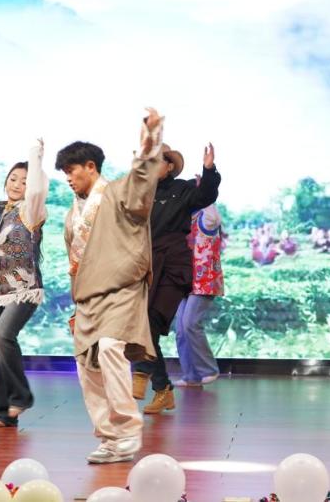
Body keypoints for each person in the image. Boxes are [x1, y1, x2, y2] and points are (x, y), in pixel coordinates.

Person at [55, 108, 164, 464]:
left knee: (110, 349)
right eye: (64, 173)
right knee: (87, 369)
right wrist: (75, 305)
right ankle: (108, 437)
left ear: (90, 166)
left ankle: (128, 430)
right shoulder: (72, 214)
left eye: (71, 170)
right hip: (86, 298)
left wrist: (151, 139)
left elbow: (142, 178)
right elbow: (75, 262)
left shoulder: (118, 193)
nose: (68, 178)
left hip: (121, 289)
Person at [133, 142, 221, 414]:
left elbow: (206, 195)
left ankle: (141, 372)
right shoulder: (140, 194)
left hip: (173, 266)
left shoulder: (182, 189)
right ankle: (164, 390)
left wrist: (209, 170)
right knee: (143, 327)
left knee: (151, 322)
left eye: (157, 161)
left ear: (169, 166)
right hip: (146, 265)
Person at [0, 142, 49, 427]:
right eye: (13, 178)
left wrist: (36, 157)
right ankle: (3, 411)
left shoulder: (31, 210)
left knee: (4, 335)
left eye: (24, 181)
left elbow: (37, 191)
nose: (17, 184)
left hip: (23, 289)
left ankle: (21, 396)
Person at [174, 184, 225, 388]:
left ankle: (208, 369)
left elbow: (214, 216)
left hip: (204, 281)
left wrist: (205, 189)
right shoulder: (184, 219)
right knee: (180, 329)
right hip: (186, 281)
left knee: (190, 323)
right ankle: (191, 375)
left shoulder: (206, 217)